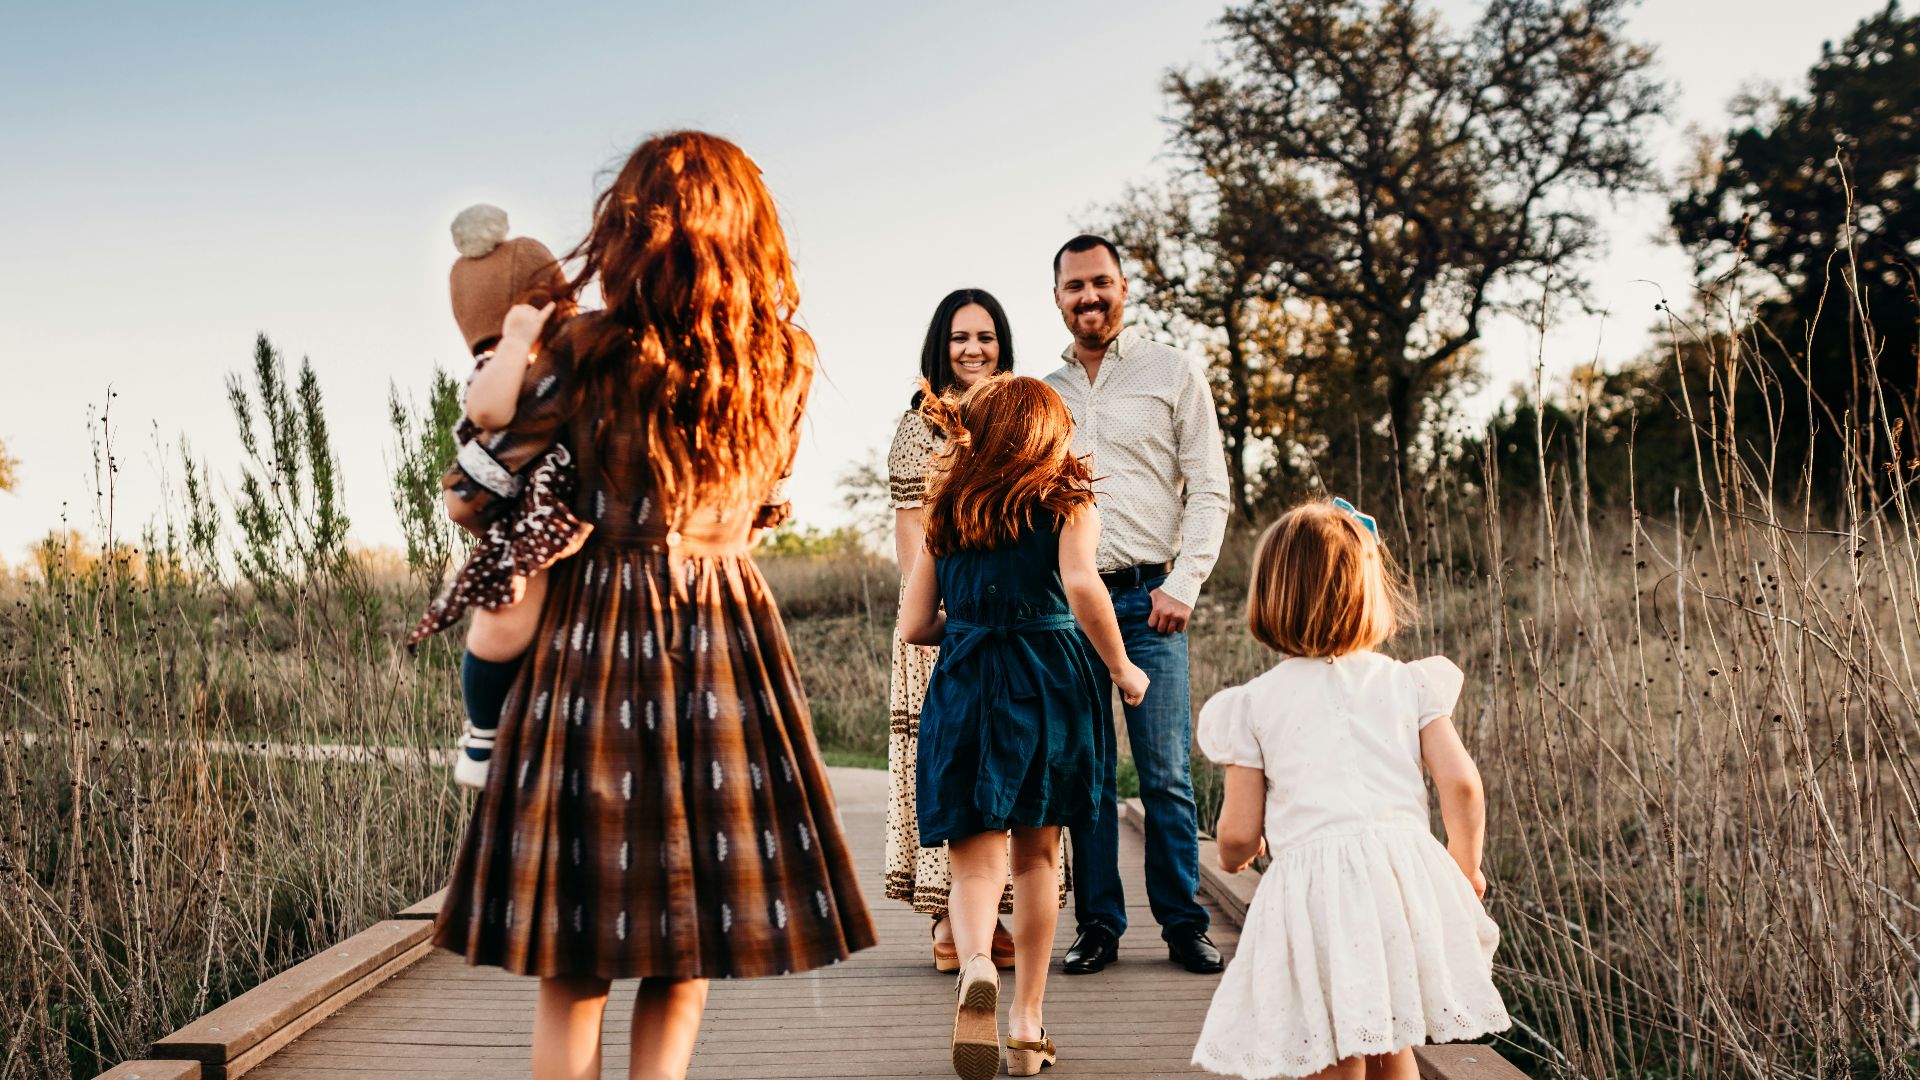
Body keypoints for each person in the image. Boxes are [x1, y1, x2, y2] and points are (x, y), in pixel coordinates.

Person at [432, 131, 878, 1080]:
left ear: (628, 233)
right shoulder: (783, 360)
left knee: (576, 952)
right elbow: (767, 505)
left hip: (595, 638)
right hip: (724, 637)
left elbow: (473, 493)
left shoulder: (587, 349)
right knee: (688, 941)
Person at [1190, 499, 1510, 1079]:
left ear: (1270, 598)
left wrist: (1235, 857)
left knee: (1332, 1045)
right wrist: (1465, 868)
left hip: (1319, 895)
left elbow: (1236, 831)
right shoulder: (1409, 683)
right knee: (1392, 1037)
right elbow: (1462, 784)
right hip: (1405, 882)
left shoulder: (1254, 704)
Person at [898, 374, 1146, 1080]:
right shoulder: (1068, 501)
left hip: (967, 680)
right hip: (1048, 681)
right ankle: (1027, 1023)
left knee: (975, 864)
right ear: (1046, 434)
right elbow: (1083, 585)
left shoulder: (948, 510)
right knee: (1038, 858)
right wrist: (1123, 667)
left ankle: (977, 960)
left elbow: (914, 625)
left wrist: (969, 624)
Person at [1042, 233, 1231, 975]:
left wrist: (1184, 583)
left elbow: (1209, 486)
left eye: (1101, 282)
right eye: (1074, 286)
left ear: (1123, 286)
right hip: (1071, 611)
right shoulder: (1042, 395)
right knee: (1086, 775)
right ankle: (1098, 927)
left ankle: (1184, 925)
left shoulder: (1172, 371)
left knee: (1165, 777)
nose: (1089, 296)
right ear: (1058, 298)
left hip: (1154, 603)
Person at [886, 288, 1059, 973]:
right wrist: (945, 619)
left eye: (985, 337)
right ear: (941, 345)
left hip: (1008, 621)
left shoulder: (1013, 418)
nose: (974, 349)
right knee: (950, 768)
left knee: (1000, 766)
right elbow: (913, 540)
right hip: (943, 620)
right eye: (960, 337)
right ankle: (945, 924)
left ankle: (987, 923)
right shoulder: (921, 428)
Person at [408, 204, 591, 790]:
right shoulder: (500, 362)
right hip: (527, 518)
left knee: (530, 628)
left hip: (556, 510)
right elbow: (487, 411)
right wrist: (515, 341)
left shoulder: (559, 364)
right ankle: (482, 737)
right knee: (504, 621)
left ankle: (516, 728)